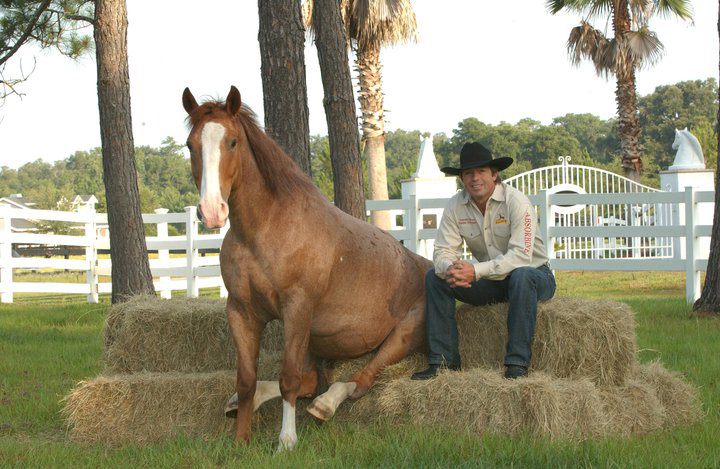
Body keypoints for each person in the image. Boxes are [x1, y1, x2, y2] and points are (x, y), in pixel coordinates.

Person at [411, 142, 556, 380]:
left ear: (494, 174)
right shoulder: (455, 205)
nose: (475, 178)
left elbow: (520, 257)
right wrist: (451, 269)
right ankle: (443, 363)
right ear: (461, 178)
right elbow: (442, 251)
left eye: (481, 171)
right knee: (435, 278)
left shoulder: (517, 202)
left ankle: (517, 365)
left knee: (521, 275)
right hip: (493, 281)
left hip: (534, 276)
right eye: (468, 173)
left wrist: (475, 272)